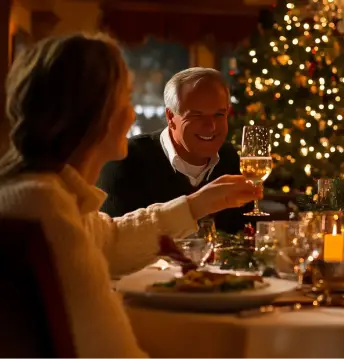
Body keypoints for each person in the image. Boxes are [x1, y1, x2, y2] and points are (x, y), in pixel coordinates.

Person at [0, 33, 261, 359]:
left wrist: (197, 204)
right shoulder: (44, 207)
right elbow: (111, 352)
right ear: (97, 115)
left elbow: (109, 240)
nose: (133, 115)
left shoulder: (42, 193)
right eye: (126, 99)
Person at [97, 67, 251, 234]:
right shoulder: (125, 160)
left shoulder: (229, 157)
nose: (211, 126)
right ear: (170, 117)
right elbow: (115, 241)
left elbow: (245, 234)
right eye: (197, 116)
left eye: (219, 115)